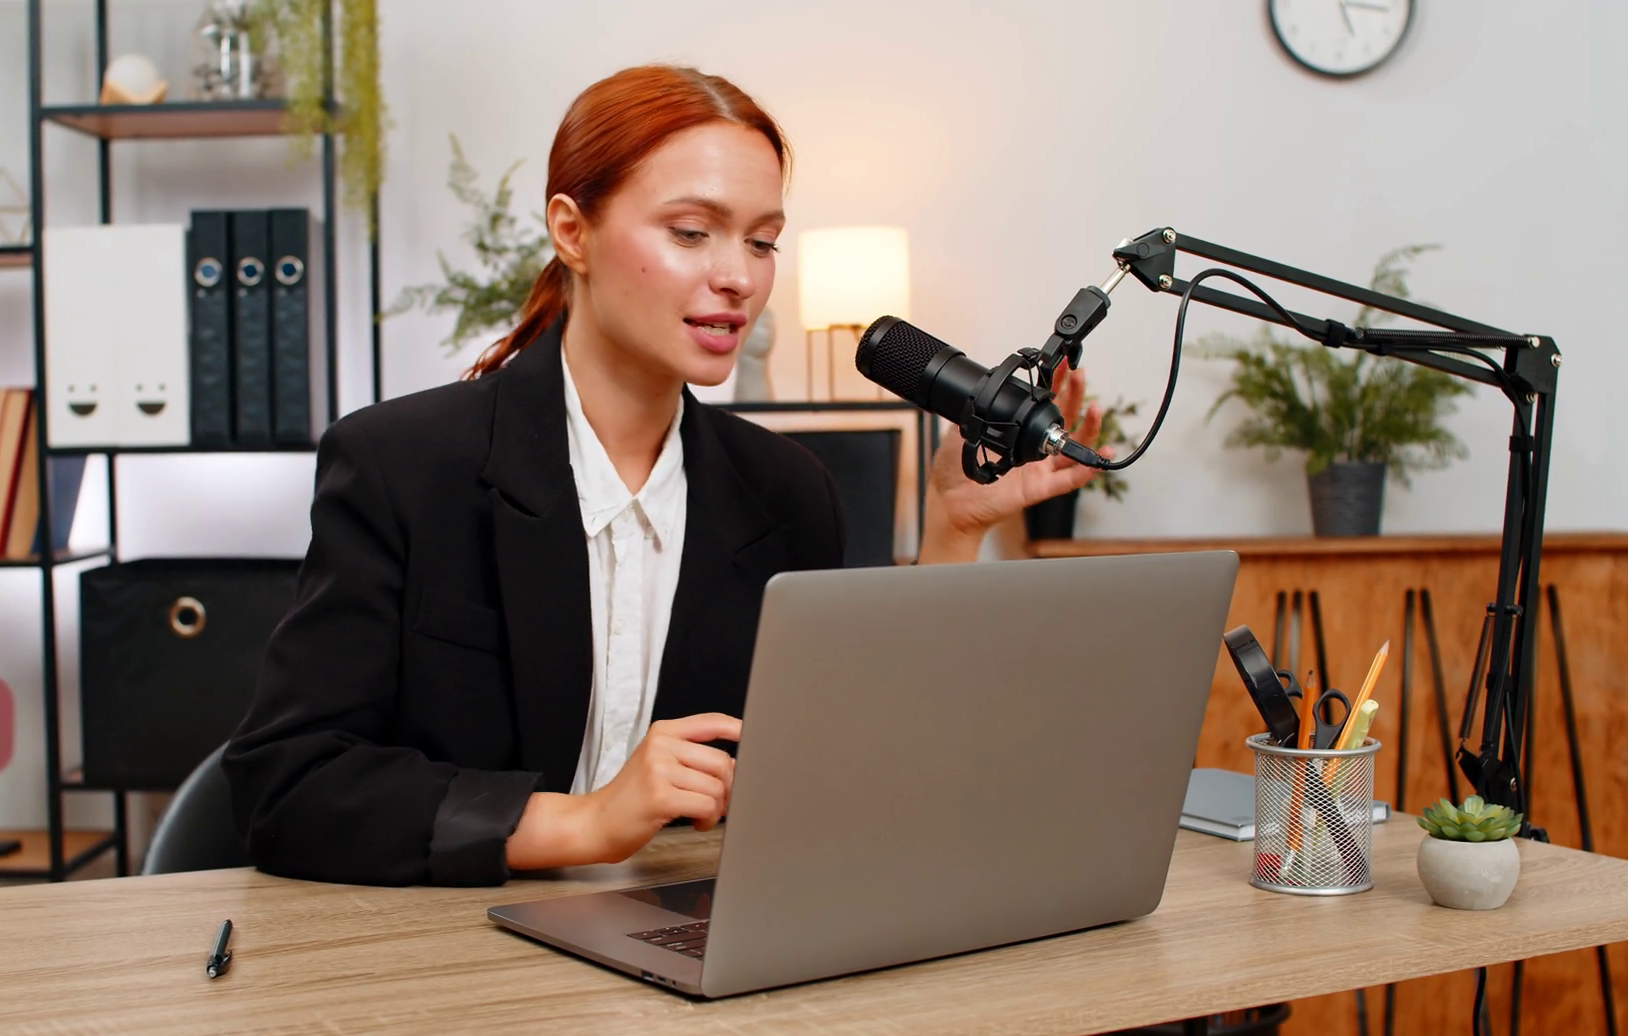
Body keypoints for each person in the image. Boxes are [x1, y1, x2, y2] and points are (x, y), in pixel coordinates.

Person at [224, 64, 1104, 889]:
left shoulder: (788, 491)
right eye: (691, 233)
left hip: (681, 935)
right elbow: (288, 784)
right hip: (446, 955)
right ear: (572, 231)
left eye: (762, 242)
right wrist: (585, 823)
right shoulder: (402, 465)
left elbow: (851, 770)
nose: (738, 277)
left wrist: (952, 528)